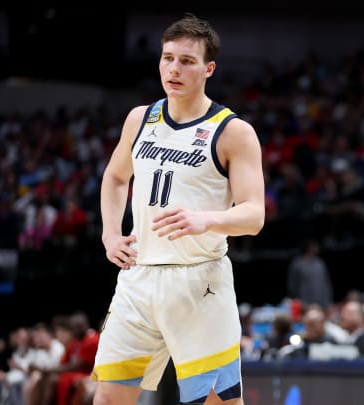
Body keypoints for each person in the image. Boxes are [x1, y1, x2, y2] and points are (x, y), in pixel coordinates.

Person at [92, 13, 265, 405]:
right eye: (168, 58)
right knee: (106, 398)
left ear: (209, 68)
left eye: (186, 61)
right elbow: (116, 177)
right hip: (139, 279)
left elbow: (254, 216)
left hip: (199, 282)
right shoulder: (141, 118)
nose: (174, 68)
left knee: (218, 403)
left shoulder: (234, 131)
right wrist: (109, 233)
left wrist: (207, 219)